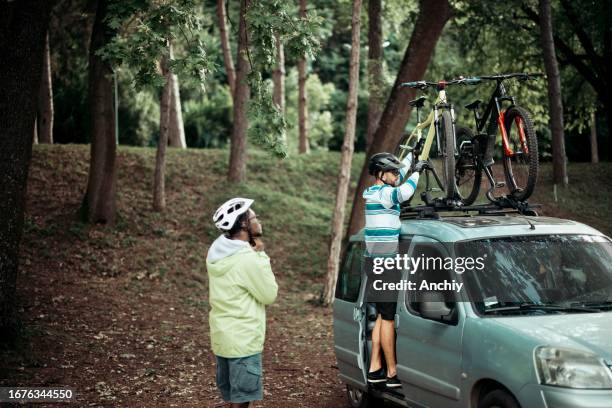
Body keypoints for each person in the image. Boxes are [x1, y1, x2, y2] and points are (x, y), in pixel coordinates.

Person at [363, 152, 427, 388]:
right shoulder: (384, 194)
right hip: (385, 264)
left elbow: (399, 173)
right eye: (392, 172)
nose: (396, 175)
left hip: (374, 262)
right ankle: (391, 373)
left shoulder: (374, 192)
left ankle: (373, 369)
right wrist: (418, 171)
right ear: (381, 174)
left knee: (381, 315)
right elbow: (405, 192)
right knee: (388, 319)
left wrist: (412, 156)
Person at [206, 197, 278, 407]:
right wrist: (261, 255)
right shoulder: (247, 259)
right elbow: (269, 294)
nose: (259, 222)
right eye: (255, 217)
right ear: (244, 224)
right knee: (242, 401)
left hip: (223, 337)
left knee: (233, 398)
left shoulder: (216, 254)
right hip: (243, 339)